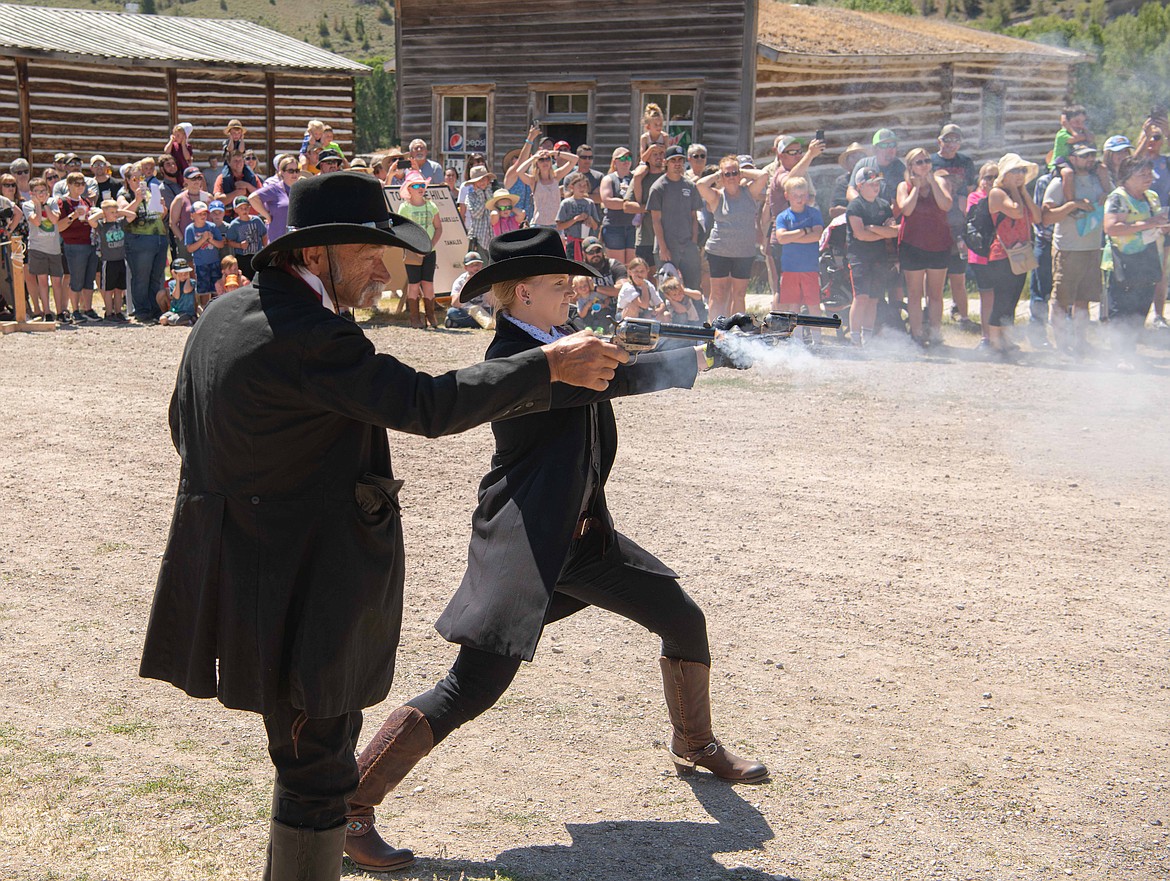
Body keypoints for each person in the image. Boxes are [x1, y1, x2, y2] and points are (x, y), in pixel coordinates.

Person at [139, 174, 627, 880]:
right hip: (301, 581)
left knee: (307, 754)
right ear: (312, 256)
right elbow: (427, 404)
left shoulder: (227, 313)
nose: (383, 265)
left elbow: (184, 428)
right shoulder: (312, 334)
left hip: (252, 569)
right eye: (367, 250)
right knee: (318, 761)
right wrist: (546, 364)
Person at [341, 226, 764, 873]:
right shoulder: (513, 357)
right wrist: (702, 359)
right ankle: (351, 807)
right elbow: (609, 383)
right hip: (530, 550)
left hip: (584, 539)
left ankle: (696, 741)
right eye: (559, 284)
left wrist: (704, 344)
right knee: (469, 688)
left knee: (681, 615)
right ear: (521, 294)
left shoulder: (559, 344)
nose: (572, 290)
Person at [1103, 157, 1169, 370]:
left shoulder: (1151, 197)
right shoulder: (1118, 198)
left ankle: (1130, 352)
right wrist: (1148, 223)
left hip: (1148, 259)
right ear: (1127, 177)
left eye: (1150, 174)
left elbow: (1154, 224)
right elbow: (1112, 228)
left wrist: (1162, 226)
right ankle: (1119, 356)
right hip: (1123, 261)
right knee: (1121, 309)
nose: (1148, 178)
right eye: (1143, 175)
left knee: (1141, 308)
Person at [1042, 145, 1105, 356]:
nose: (1089, 159)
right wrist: (1073, 205)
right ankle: (1061, 345)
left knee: (1083, 300)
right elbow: (1047, 217)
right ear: (1072, 158)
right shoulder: (1059, 182)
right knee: (1061, 301)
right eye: (1084, 156)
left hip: (1093, 247)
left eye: (1092, 155)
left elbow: (1113, 198)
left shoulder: (1098, 179)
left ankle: (1080, 342)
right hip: (1068, 249)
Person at [697, 154, 769, 320]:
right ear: (721, 177)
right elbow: (700, 185)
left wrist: (741, 171)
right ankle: (715, 329)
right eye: (726, 174)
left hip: (744, 252)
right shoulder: (717, 196)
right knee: (718, 293)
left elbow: (764, 176)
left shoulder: (749, 193)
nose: (731, 177)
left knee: (739, 294)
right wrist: (719, 174)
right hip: (719, 251)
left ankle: (737, 329)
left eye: (733, 173)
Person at [985, 153, 1042, 360]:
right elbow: (1017, 212)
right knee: (1002, 299)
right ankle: (994, 341)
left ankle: (1006, 340)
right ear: (1005, 174)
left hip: (1020, 253)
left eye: (1023, 171)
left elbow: (1037, 217)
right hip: (1002, 254)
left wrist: (1024, 191)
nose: (1020, 175)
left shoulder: (1019, 194)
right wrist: (1017, 193)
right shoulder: (997, 193)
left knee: (1013, 300)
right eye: (1016, 171)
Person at [896, 147, 954, 347]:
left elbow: (946, 205)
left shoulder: (941, 181)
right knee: (914, 293)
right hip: (913, 245)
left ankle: (936, 333)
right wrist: (917, 188)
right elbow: (906, 210)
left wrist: (931, 183)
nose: (924, 165)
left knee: (935, 293)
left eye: (927, 161)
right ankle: (917, 333)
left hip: (939, 243)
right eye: (919, 162)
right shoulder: (904, 186)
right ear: (911, 166)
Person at [930, 124, 979, 331]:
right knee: (934, 278)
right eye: (947, 140)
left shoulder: (966, 162)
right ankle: (932, 318)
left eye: (955, 140)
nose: (951, 144)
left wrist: (964, 200)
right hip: (935, 225)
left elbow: (970, 190)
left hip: (958, 226)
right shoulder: (931, 162)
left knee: (958, 275)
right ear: (939, 141)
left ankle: (963, 316)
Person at [845, 166, 899, 346]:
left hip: (879, 257)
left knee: (874, 298)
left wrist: (874, 229)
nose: (876, 187)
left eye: (877, 183)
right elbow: (860, 234)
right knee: (861, 297)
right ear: (860, 186)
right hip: (860, 257)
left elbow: (894, 232)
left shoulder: (884, 205)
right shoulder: (855, 206)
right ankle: (854, 337)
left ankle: (867, 337)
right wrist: (882, 232)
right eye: (871, 184)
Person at [774, 176, 826, 333]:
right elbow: (782, 238)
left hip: (810, 267)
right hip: (790, 268)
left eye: (802, 195)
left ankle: (817, 339)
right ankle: (796, 340)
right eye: (795, 195)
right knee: (793, 305)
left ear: (807, 196)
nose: (799, 199)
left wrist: (793, 237)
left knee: (813, 305)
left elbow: (816, 235)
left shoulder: (814, 214)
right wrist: (804, 231)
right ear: (787, 196)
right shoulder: (783, 216)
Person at [648, 146, 704, 290]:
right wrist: (663, 247)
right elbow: (656, 220)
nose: (677, 163)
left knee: (693, 287)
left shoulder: (690, 186)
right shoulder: (658, 188)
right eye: (673, 160)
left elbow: (694, 217)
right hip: (668, 246)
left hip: (687, 246)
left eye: (680, 160)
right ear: (666, 162)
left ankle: (695, 313)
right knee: (667, 289)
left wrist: (693, 243)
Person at [119, 162, 169, 322]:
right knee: (141, 277)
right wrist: (136, 199)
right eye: (134, 178)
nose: (138, 181)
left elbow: (159, 216)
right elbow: (125, 216)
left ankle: (155, 309)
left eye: (141, 178)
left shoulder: (151, 194)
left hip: (158, 238)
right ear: (127, 180)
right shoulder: (124, 196)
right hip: (138, 241)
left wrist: (163, 209)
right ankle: (142, 310)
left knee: (156, 276)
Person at [397, 171, 442, 328]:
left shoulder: (431, 205)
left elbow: (438, 228)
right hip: (411, 251)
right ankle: (415, 318)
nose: (420, 188)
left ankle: (431, 315)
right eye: (416, 185)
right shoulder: (404, 208)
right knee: (414, 284)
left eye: (422, 185)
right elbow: (401, 231)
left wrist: (429, 247)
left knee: (428, 283)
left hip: (430, 251)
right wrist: (415, 248)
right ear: (409, 189)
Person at [21, 176, 66, 322]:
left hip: (53, 248)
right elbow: (37, 221)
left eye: (43, 190)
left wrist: (45, 204)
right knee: (42, 281)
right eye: (37, 191)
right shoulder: (27, 205)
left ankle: (60, 312)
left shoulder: (52, 202)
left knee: (57, 282)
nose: (40, 194)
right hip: (37, 248)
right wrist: (38, 206)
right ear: (31, 193)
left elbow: (54, 220)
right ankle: (46, 312)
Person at [58, 171, 100, 323]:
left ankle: (87, 308)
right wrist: (74, 216)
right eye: (77, 184)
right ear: (68, 185)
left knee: (89, 279)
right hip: (73, 244)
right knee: (76, 278)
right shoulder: (63, 202)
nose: (80, 187)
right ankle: (75, 309)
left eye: (82, 184)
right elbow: (59, 226)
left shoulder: (87, 202)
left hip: (90, 242)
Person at [967, 163, 999, 350]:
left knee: (1001, 297)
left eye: (995, 177)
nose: (991, 181)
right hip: (981, 254)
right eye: (987, 177)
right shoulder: (975, 197)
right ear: (980, 179)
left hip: (1001, 254)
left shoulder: (1002, 196)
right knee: (987, 297)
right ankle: (986, 337)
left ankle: (1000, 337)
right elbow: (977, 220)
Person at [88, 198, 132, 322]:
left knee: (119, 289)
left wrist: (121, 212)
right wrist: (102, 214)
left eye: (115, 211)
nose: (114, 214)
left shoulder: (120, 223)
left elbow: (132, 216)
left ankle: (118, 312)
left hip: (120, 259)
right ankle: (109, 313)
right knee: (108, 289)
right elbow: (91, 220)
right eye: (111, 212)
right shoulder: (102, 226)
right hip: (108, 261)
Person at [515, 148, 578, 228]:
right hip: (539, 224)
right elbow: (519, 172)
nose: (545, 162)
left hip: (556, 224)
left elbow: (575, 159)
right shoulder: (534, 181)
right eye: (541, 160)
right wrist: (533, 157)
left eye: (547, 159)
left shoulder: (556, 176)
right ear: (537, 163)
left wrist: (554, 153)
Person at [599, 147, 638, 266]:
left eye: (628, 158)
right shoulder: (609, 179)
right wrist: (630, 204)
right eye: (622, 158)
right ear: (615, 161)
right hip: (614, 226)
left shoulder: (636, 177)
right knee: (618, 265)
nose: (626, 161)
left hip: (633, 226)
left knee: (632, 264)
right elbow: (608, 201)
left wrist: (622, 203)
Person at [631, 143, 667, 269]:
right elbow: (627, 206)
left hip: (668, 236)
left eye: (661, 153)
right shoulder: (640, 178)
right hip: (645, 237)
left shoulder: (670, 177)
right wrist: (651, 208)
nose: (659, 157)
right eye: (655, 154)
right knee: (647, 276)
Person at [184, 201, 224, 313]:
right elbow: (190, 248)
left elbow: (221, 244)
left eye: (204, 214)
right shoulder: (190, 229)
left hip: (214, 261)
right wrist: (202, 240)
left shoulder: (212, 226)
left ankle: (216, 310)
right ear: (192, 215)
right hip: (201, 264)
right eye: (200, 214)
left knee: (216, 287)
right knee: (203, 289)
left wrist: (211, 240)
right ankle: (204, 310)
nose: (203, 216)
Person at [249, 156, 300, 242]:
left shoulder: (300, 189)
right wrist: (266, 215)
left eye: (297, 171)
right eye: (291, 171)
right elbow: (252, 198)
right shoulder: (274, 189)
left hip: (296, 241)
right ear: (282, 172)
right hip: (277, 240)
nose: (294, 174)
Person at [556, 172, 601, 260]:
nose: (582, 188)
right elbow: (559, 226)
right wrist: (575, 219)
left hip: (588, 243)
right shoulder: (566, 203)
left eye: (584, 186)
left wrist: (590, 219)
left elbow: (595, 226)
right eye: (579, 185)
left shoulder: (589, 203)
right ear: (572, 187)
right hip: (572, 242)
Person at [225, 195, 268, 280]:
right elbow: (229, 241)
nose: (244, 210)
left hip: (256, 254)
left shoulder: (257, 220)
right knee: (246, 279)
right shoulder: (234, 225)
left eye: (246, 207)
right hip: (243, 257)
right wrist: (239, 245)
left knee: (258, 277)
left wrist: (264, 249)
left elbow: (264, 235)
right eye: (241, 208)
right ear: (235, 210)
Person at [447, 250, 493, 328]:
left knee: (501, 312)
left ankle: (458, 324)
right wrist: (466, 284)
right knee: (452, 312)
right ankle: (485, 324)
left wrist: (485, 285)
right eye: (472, 265)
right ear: (466, 267)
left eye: (477, 264)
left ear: (481, 265)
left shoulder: (487, 278)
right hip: (468, 312)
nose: (475, 268)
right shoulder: (460, 281)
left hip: (485, 310)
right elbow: (455, 303)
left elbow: (492, 303)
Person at [156, 257, 197, 326]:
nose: (183, 276)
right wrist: (177, 279)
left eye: (185, 273)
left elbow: (186, 290)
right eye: (180, 274)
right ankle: (184, 320)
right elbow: (176, 296)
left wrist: (188, 277)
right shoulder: (172, 283)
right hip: (175, 311)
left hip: (188, 311)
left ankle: (190, 319)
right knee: (163, 319)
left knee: (172, 320)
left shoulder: (192, 282)